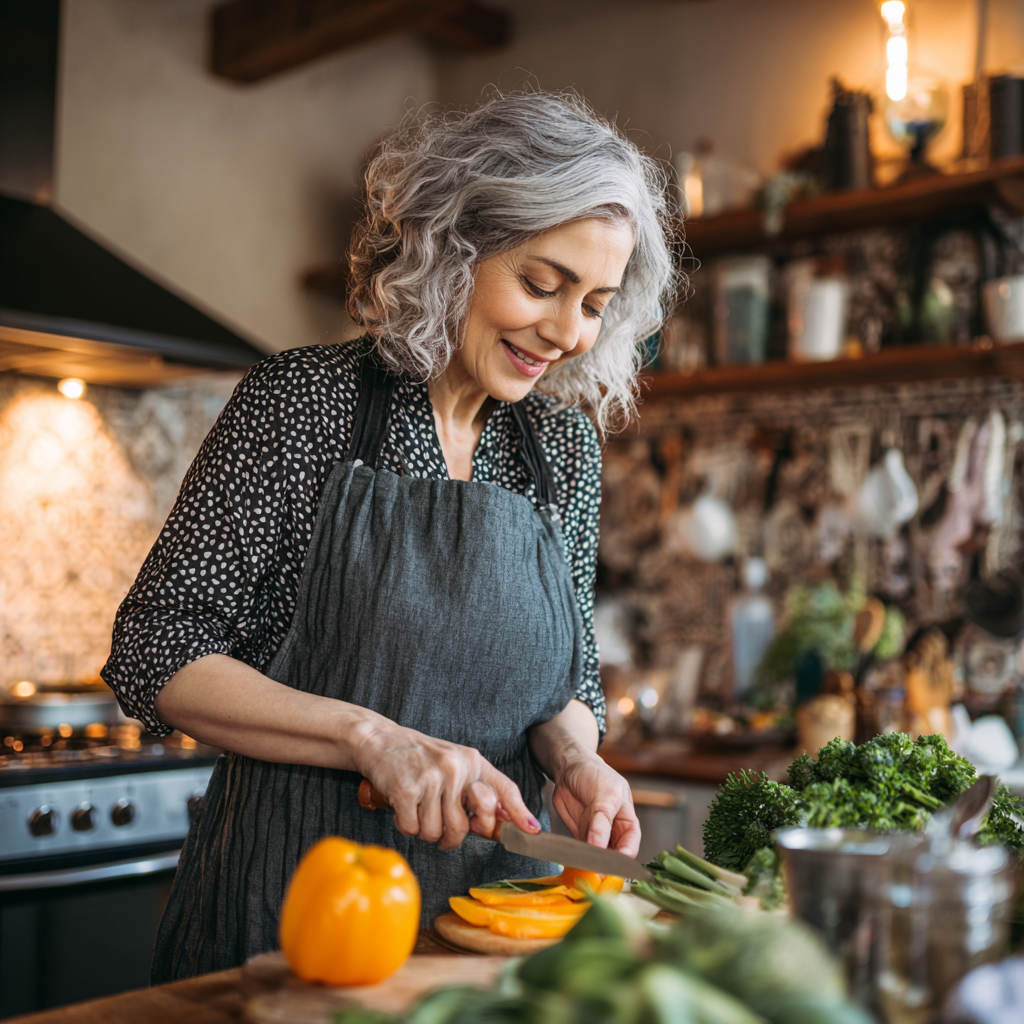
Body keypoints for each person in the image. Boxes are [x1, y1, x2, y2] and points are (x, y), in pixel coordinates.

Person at [102, 91, 677, 981]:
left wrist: (576, 759)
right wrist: (375, 740)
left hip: (494, 933)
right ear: (453, 249)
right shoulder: (302, 404)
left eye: (595, 303)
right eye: (541, 284)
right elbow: (159, 650)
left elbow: (567, 684)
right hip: (293, 918)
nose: (567, 333)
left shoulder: (559, 448)